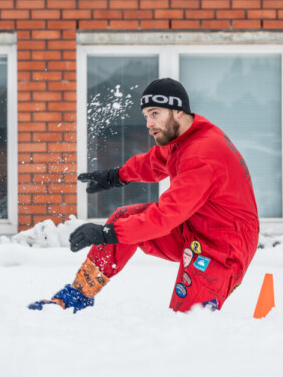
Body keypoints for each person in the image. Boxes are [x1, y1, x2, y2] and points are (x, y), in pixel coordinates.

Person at [30, 78, 260, 313]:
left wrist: (106, 234)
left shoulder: (202, 154)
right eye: (146, 116)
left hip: (223, 246)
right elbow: (154, 162)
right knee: (123, 218)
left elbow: (166, 216)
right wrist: (115, 176)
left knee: (189, 321)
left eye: (154, 113)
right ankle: (78, 295)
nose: (149, 123)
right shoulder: (184, 138)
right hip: (193, 227)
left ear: (178, 111)